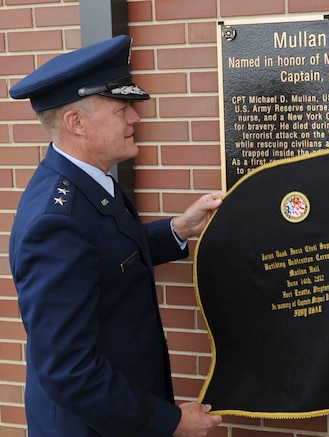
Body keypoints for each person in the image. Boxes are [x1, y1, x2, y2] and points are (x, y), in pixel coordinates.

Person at [8, 35, 223, 436]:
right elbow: (68, 370)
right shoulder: (55, 223)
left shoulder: (87, 182)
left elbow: (108, 255)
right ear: (77, 123)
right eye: (122, 109)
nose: (135, 119)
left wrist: (178, 229)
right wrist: (170, 422)